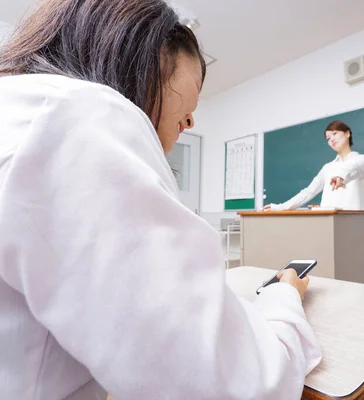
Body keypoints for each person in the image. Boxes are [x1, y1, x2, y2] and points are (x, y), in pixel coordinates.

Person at [0, 0, 321, 399]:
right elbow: (233, 382)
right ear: (138, 58)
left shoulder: (18, 106)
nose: (188, 124)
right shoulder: (80, 116)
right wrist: (284, 294)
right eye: (185, 114)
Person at [264, 120, 364, 211]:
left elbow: (353, 167)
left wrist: (341, 176)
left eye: (334, 133)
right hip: (326, 221)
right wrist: (280, 207)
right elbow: (309, 192)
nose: (332, 140)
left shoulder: (363, 159)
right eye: (328, 138)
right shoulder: (327, 168)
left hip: (352, 223)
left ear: (347, 133)